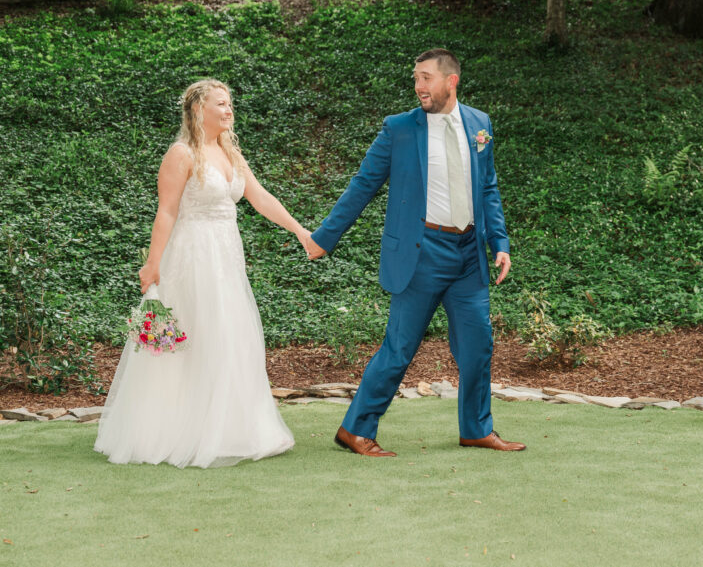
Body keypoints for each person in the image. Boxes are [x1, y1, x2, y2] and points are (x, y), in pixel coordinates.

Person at [302, 49, 523, 457]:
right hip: (422, 253)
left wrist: (500, 243)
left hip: (469, 254)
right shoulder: (399, 130)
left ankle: (476, 428)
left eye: (426, 78)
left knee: (478, 347)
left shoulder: (480, 124)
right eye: (416, 78)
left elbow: (487, 187)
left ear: (450, 81)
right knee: (399, 348)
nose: (418, 86)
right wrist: (324, 237)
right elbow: (362, 185)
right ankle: (355, 429)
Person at [95, 79, 305, 468]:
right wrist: (152, 263)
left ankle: (231, 429)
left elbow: (260, 198)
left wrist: (301, 231)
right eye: (221, 104)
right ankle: (177, 432)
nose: (229, 110)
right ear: (198, 110)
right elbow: (167, 211)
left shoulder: (229, 152)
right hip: (192, 259)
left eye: (230, 104)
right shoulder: (181, 153)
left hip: (227, 260)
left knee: (231, 336)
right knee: (196, 340)